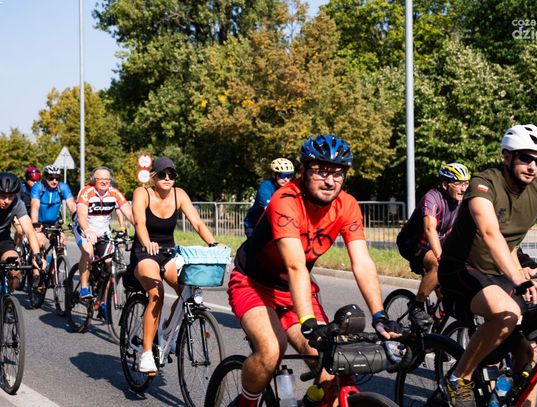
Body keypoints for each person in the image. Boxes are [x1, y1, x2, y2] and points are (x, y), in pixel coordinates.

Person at [228, 134, 400, 407]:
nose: (330, 181)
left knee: (333, 366)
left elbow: (362, 262)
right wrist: (308, 321)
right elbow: (295, 265)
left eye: (338, 173)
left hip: (296, 290)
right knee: (271, 350)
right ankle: (246, 403)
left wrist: (380, 316)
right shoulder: (285, 199)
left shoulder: (347, 205)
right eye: (321, 171)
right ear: (304, 171)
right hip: (254, 284)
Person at [438, 124, 537, 406]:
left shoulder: (536, 188)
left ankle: (505, 393)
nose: (532, 166)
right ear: (507, 156)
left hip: (501, 272)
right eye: (525, 158)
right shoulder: (484, 183)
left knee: (528, 354)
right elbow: (490, 232)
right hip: (462, 269)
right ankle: (458, 378)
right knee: (507, 313)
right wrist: (519, 278)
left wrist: (525, 272)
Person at [128, 156, 220, 373]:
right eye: (162, 174)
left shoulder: (180, 195)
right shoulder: (142, 193)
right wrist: (146, 242)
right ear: (154, 177)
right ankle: (146, 353)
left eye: (172, 175)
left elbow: (197, 223)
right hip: (145, 252)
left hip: (169, 253)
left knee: (188, 291)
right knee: (157, 294)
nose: (167, 178)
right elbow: (140, 222)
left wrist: (214, 244)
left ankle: (168, 329)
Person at [396, 162, 471, 327]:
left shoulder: (463, 201)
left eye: (466, 183)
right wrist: (441, 257)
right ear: (445, 184)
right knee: (438, 265)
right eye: (458, 183)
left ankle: (435, 334)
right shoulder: (432, 197)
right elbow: (430, 228)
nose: (463, 189)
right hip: (413, 244)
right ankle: (416, 307)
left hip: (438, 243)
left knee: (448, 291)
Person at [72, 166, 134, 301]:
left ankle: (102, 299)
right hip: (84, 228)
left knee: (109, 262)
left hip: (104, 231)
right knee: (88, 252)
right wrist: (87, 230)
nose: (105, 182)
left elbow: (130, 213)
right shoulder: (86, 192)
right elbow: (81, 215)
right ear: (93, 180)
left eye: (107, 179)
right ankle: (84, 289)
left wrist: (141, 229)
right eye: (100, 179)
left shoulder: (115, 193)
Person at [0, 172, 45, 290]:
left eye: (10, 196)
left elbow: (29, 231)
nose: (6, 201)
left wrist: (37, 255)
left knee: (15, 269)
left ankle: (7, 298)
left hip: (3, 240)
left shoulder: (17, 203)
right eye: (3, 196)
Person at [243, 158, 295, 238]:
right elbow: (269, 209)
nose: (286, 179)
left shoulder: (290, 188)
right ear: (274, 175)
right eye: (282, 175)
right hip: (254, 225)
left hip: (274, 224)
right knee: (256, 244)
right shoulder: (265, 187)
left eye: (289, 176)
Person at [30, 165, 76, 250]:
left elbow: (71, 204)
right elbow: (35, 205)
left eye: (57, 178)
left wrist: (76, 217)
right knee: (41, 243)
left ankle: (56, 258)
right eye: (51, 178)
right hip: (39, 222)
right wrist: (35, 223)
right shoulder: (38, 187)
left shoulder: (63, 187)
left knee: (61, 242)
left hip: (54, 222)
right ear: (45, 177)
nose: (54, 181)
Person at [14, 167, 41, 245]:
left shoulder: (41, 188)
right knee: (20, 230)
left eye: (37, 180)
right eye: (32, 180)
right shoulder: (21, 187)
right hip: (21, 211)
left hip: (33, 211)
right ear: (26, 179)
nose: (35, 183)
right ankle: (17, 247)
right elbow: (16, 203)